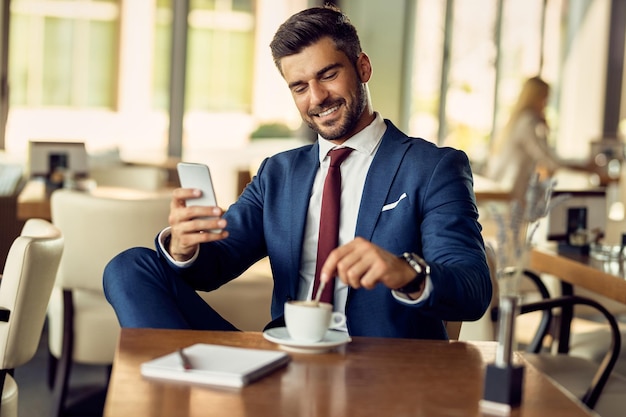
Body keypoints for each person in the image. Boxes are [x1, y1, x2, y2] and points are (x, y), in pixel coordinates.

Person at [103, 5, 491, 340]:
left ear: (363, 67)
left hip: (379, 365)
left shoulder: (433, 167)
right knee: (128, 267)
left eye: (327, 75)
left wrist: (405, 271)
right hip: (285, 356)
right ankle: (175, 391)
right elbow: (214, 267)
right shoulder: (278, 174)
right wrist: (185, 247)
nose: (316, 98)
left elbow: (472, 288)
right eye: (299, 87)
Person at [484, 76, 588, 200]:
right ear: (534, 98)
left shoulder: (519, 120)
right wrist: (584, 166)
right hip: (509, 194)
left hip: (503, 189)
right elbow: (548, 159)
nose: (546, 104)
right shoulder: (527, 122)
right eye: (544, 98)